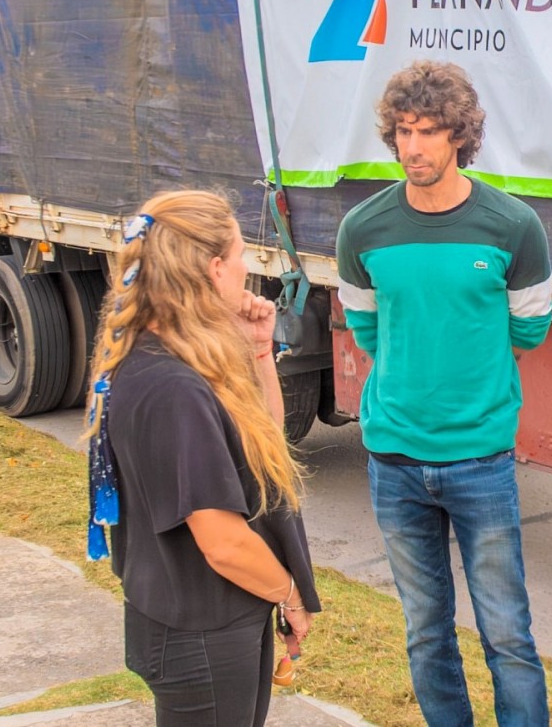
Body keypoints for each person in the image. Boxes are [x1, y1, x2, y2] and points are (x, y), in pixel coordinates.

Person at [335, 60, 552, 726]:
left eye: (429, 131)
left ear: (460, 136)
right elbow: (367, 329)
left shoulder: (513, 227)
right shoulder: (363, 230)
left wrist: (466, 373)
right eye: (403, 131)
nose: (413, 147)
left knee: (507, 636)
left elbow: (530, 328)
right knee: (426, 632)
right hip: (394, 460)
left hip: (480, 460)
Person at [83, 189, 319, 727]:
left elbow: (264, 448)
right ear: (214, 269)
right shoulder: (174, 388)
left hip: (200, 623)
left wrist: (260, 351)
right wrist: (290, 595)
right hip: (200, 633)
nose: (246, 269)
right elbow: (224, 542)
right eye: (241, 257)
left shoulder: (168, 357)